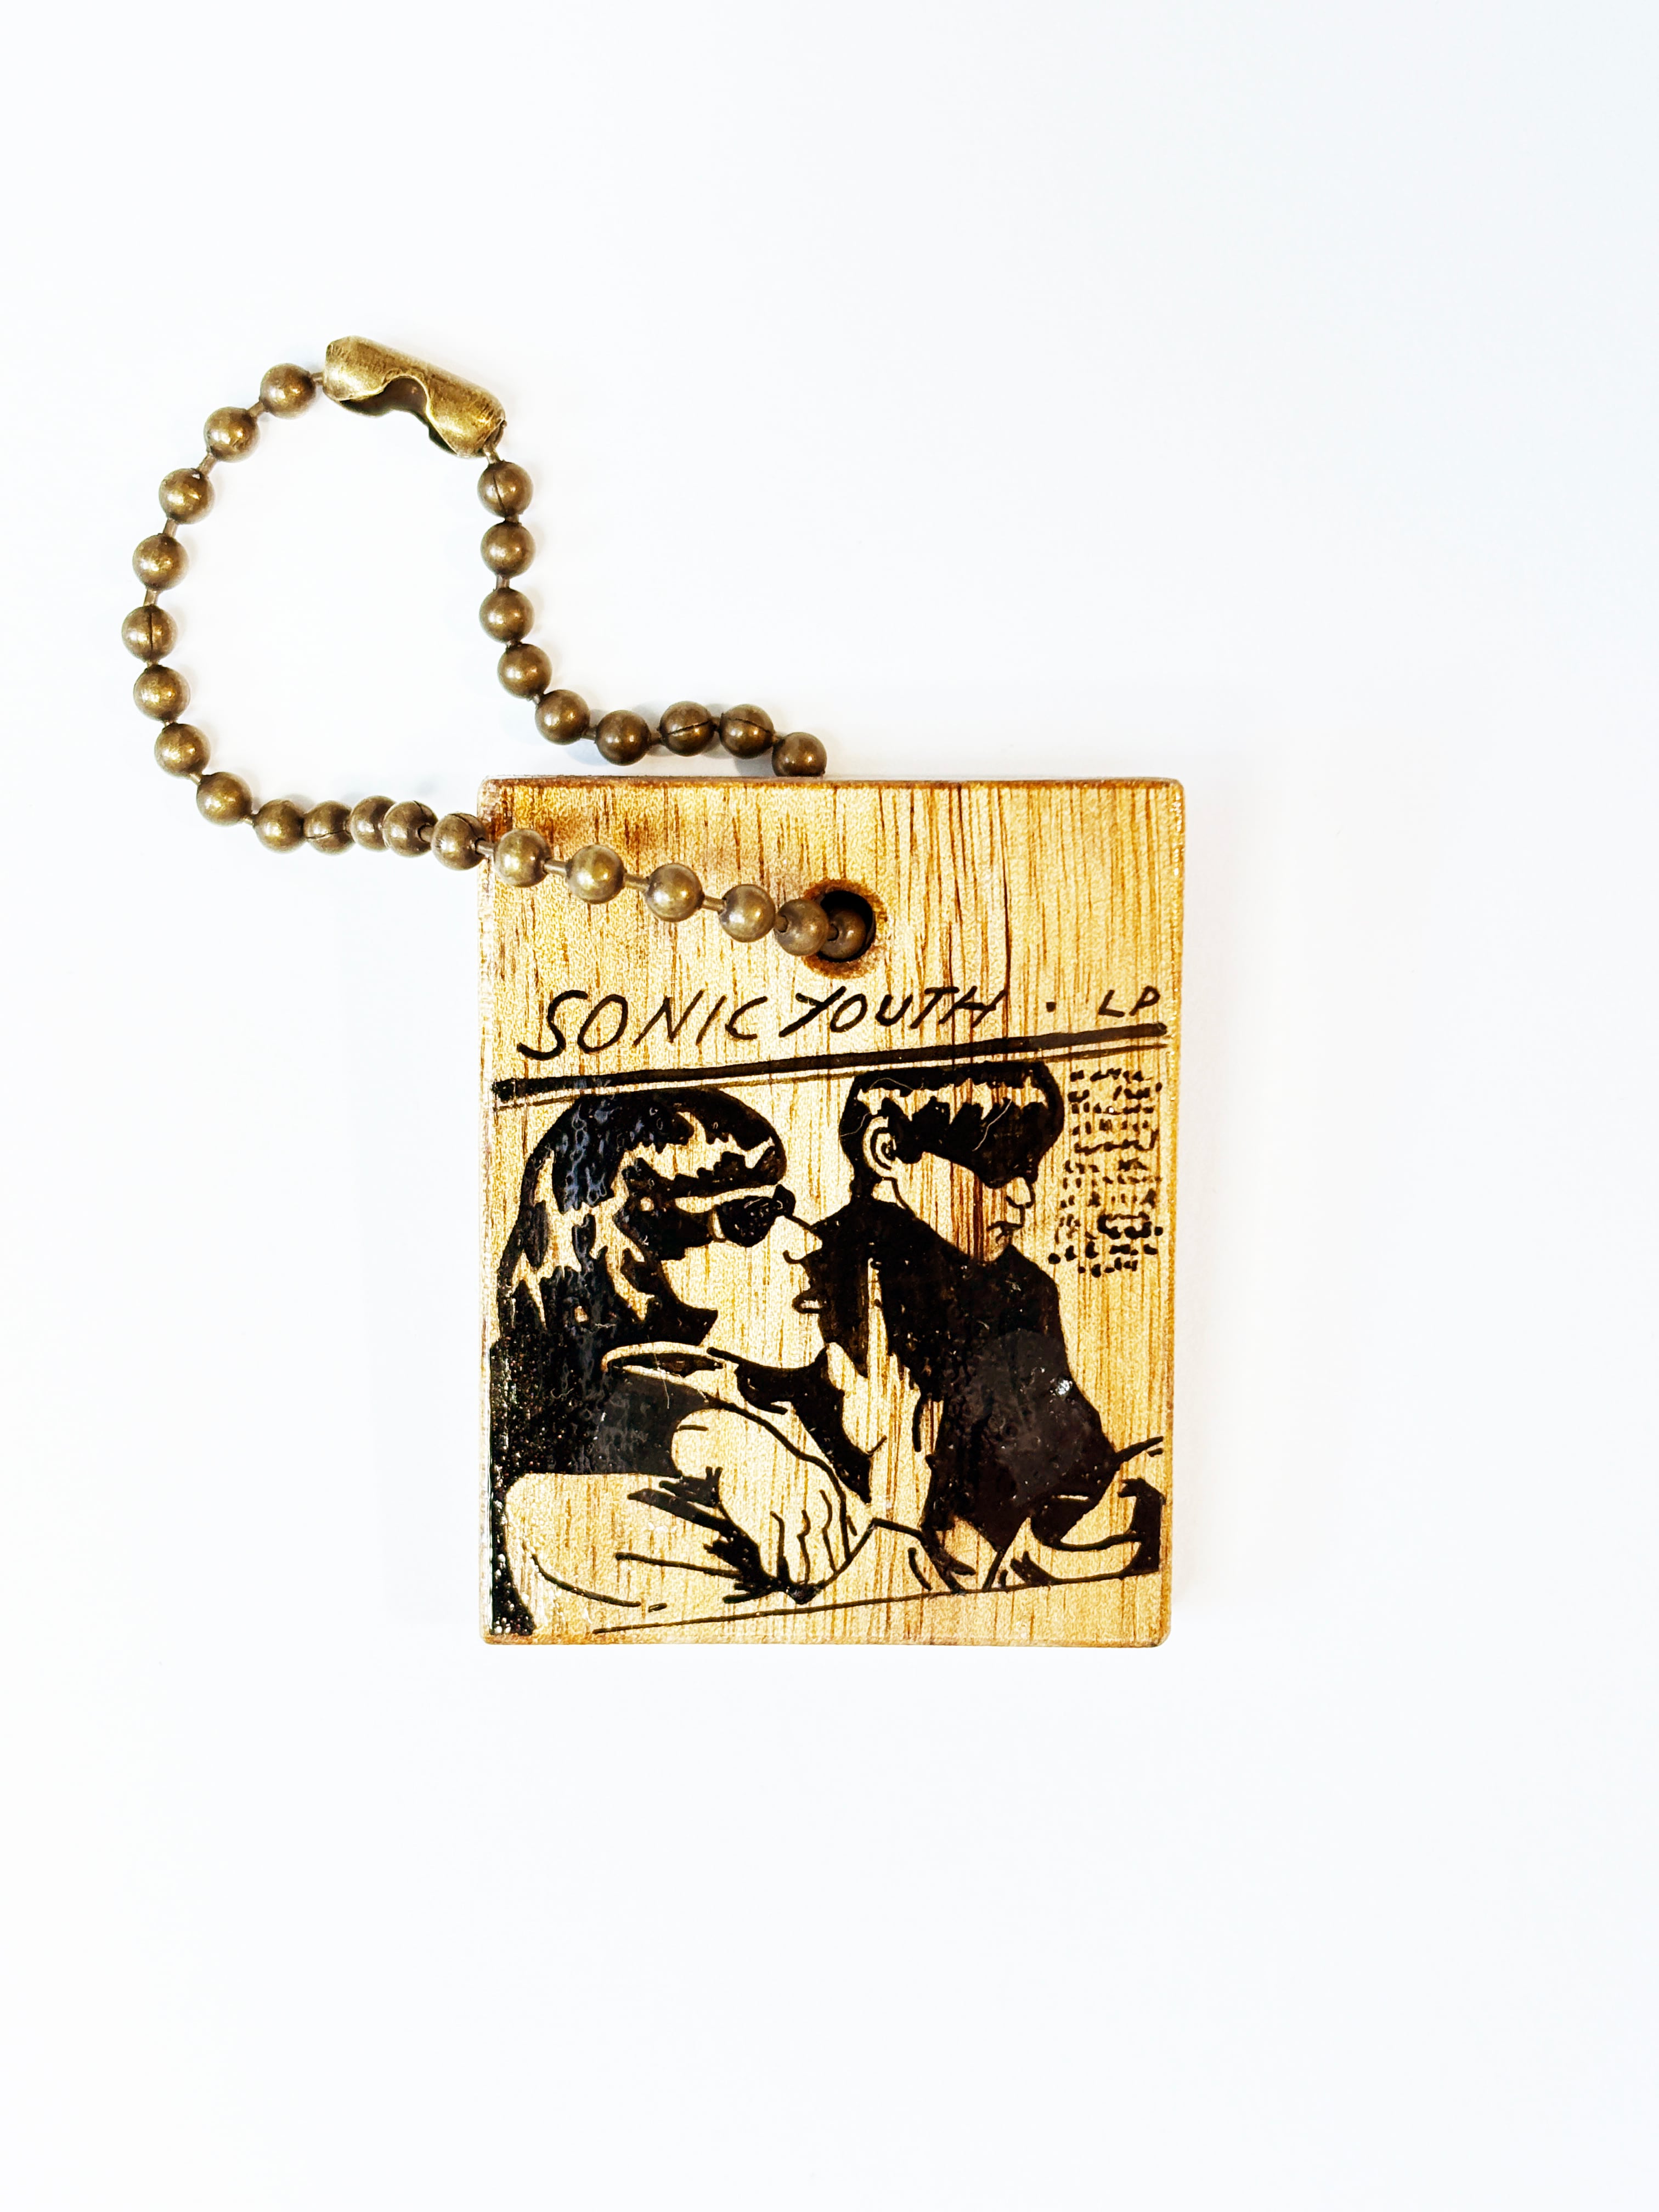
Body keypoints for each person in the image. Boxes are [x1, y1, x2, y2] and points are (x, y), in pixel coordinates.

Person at [489, 1088, 874, 1635]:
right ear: (628, 1248)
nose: (805, 1242)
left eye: (783, 1207)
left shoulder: (766, 1420)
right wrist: (699, 1431)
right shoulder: (553, 1505)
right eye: (750, 1218)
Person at [804, 1061, 1164, 1589]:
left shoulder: (1026, 1289)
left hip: (1015, 1546)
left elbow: (1066, 1444)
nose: (1025, 1197)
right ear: (887, 1151)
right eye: (998, 1171)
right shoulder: (825, 1272)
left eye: (1030, 1172)